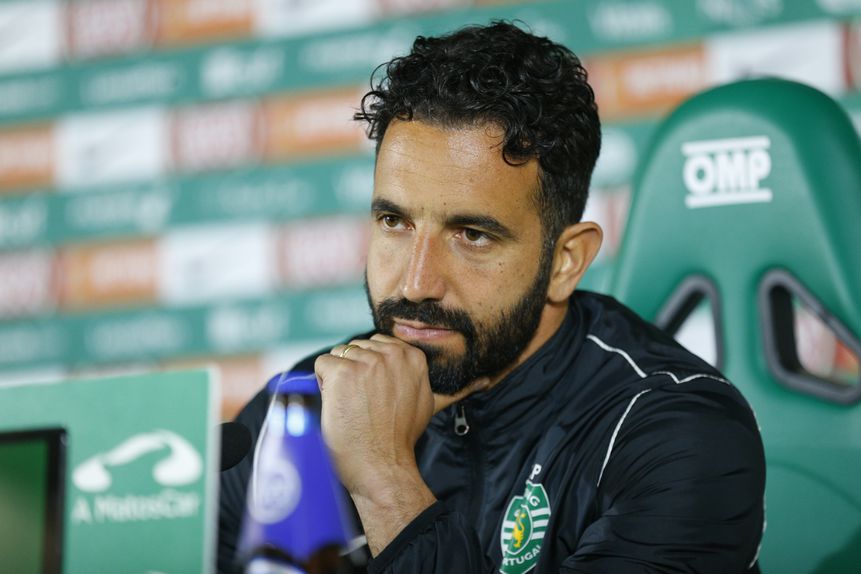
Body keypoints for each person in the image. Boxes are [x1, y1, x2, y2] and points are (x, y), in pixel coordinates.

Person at [219, 21, 765, 574]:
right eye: (394, 222)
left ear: (565, 261)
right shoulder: (308, 403)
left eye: (472, 235)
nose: (415, 284)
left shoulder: (679, 436)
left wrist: (384, 479)